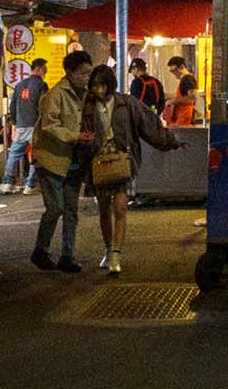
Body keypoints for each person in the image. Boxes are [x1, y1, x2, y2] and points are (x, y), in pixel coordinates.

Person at [80, 64, 179, 275]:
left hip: (123, 160)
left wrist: (171, 141)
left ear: (110, 85)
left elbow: (149, 125)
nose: (98, 89)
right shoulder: (86, 106)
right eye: (95, 85)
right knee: (104, 210)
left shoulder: (126, 103)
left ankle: (116, 253)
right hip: (98, 163)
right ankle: (108, 250)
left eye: (101, 84)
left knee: (120, 208)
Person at [30, 49, 94, 273]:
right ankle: (40, 250)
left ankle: (67, 256)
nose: (86, 77)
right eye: (82, 73)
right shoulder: (54, 95)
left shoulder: (86, 95)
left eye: (89, 73)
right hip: (50, 159)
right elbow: (49, 126)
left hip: (73, 161)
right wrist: (76, 136)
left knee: (71, 210)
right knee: (55, 207)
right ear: (69, 72)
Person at [1, 58, 48, 193]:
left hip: (21, 125)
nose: (45, 71)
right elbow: (44, 106)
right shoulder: (41, 85)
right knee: (36, 155)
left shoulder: (19, 85)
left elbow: (13, 106)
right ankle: (30, 185)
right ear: (38, 69)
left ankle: (7, 183)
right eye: (44, 68)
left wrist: (15, 123)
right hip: (35, 126)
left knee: (14, 154)